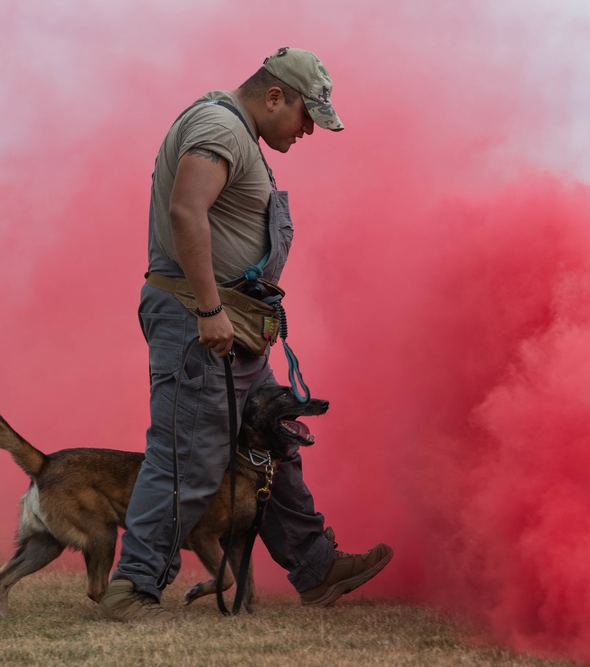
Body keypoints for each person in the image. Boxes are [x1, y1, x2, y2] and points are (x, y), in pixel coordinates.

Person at [98, 47, 392, 623]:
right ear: (274, 95)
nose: (310, 128)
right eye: (307, 114)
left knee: (271, 437)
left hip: (234, 328)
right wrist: (210, 310)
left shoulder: (235, 131)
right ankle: (131, 587)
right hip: (200, 321)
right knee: (189, 457)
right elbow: (187, 211)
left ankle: (314, 567)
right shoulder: (219, 127)